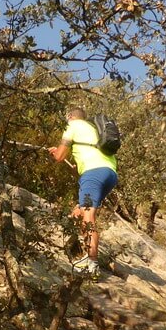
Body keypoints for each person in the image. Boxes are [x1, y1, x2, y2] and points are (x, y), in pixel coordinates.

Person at [48, 106, 118, 276]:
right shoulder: (94, 129)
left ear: (71, 117)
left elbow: (59, 157)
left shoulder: (73, 126)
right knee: (79, 211)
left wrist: (55, 153)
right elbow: (80, 171)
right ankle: (85, 254)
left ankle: (92, 263)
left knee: (88, 215)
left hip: (93, 174)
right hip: (110, 173)